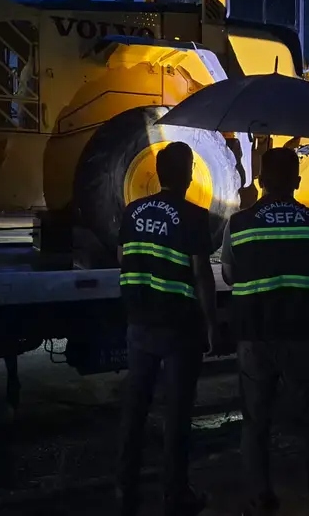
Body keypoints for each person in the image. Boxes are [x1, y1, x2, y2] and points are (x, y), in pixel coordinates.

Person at [220, 147, 309, 516]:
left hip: (255, 336)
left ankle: (261, 501)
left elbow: (228, 275)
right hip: (304, 334)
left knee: (256, 423)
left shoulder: (239, 224)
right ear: (297, 180)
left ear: (260, 181)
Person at [116, 141, 220, 516]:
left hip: (139, 322)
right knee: (177, 413)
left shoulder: (133, 210)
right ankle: (175, 493)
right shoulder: (193, 215)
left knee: (136, 408)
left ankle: (125, 486)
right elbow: (201, 274)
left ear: (159, 173)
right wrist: (211, 322)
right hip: (179, 327)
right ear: (188, 174)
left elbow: (122, 257)